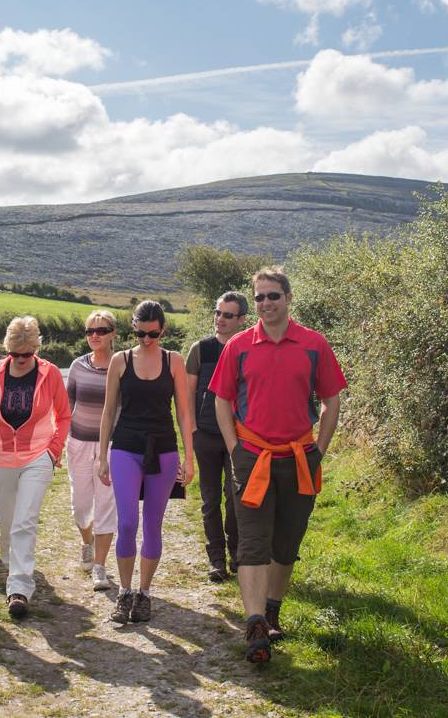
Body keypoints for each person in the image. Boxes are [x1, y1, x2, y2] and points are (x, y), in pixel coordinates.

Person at [211, 268, 346, 663]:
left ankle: (272, 610)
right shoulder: (238, 345)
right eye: (259, 297)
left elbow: (331, 399)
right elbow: (221, 399)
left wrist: (320, 447)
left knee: (285, 543)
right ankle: (254, 626)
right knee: (252, 543)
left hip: (300, 458)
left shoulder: (314, 344)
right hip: (252, 457)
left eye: (273, 295)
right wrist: (235, 448)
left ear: (288, 298)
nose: (266, 303)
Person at [98, 300, 194, 625]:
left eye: (153, 334)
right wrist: (101, 456)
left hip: (164, 449)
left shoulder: (174, 361)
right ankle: (123, 593)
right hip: (125, 446)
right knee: (127, 523)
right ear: (133, 328)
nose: (147, 340)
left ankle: (144, 594)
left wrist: (189, 457)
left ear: (163, 330)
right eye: (140, 333)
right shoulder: (119, 360)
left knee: (153, 524)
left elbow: (183, 412)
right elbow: (109, 411)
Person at [0, 316, 71, 620]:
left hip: (37, 455)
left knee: (24, 522)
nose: (22, 360)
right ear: (7, 350)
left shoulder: (50, 373)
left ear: (35, 349)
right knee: (8, 525)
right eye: (16, 354)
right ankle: (14, 564)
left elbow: (64, 417)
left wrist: (53, 451)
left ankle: (19, 589)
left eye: (28, 354)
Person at [185, 292, 247, 583]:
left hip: (239, 437)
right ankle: (217, 560)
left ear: (241, 320)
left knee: (236, 499)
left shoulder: (249, 348)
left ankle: (236, 552)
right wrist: (192, 432)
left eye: (227, 315)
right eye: (217, 312)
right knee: (210, 500)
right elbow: (187, 394)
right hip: (206, 436)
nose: (219, 319)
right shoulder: (201, 349)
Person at [66, 310, 119, 590]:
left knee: (105, 508)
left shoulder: (123, 364)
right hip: (78, 443)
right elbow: (66, 407)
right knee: (80, 507)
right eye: (89, 331)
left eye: (101, 330)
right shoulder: (77, 366)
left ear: (113, 333)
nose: (95, 336)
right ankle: (87, 541)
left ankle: (100, 568)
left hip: (110, 447)